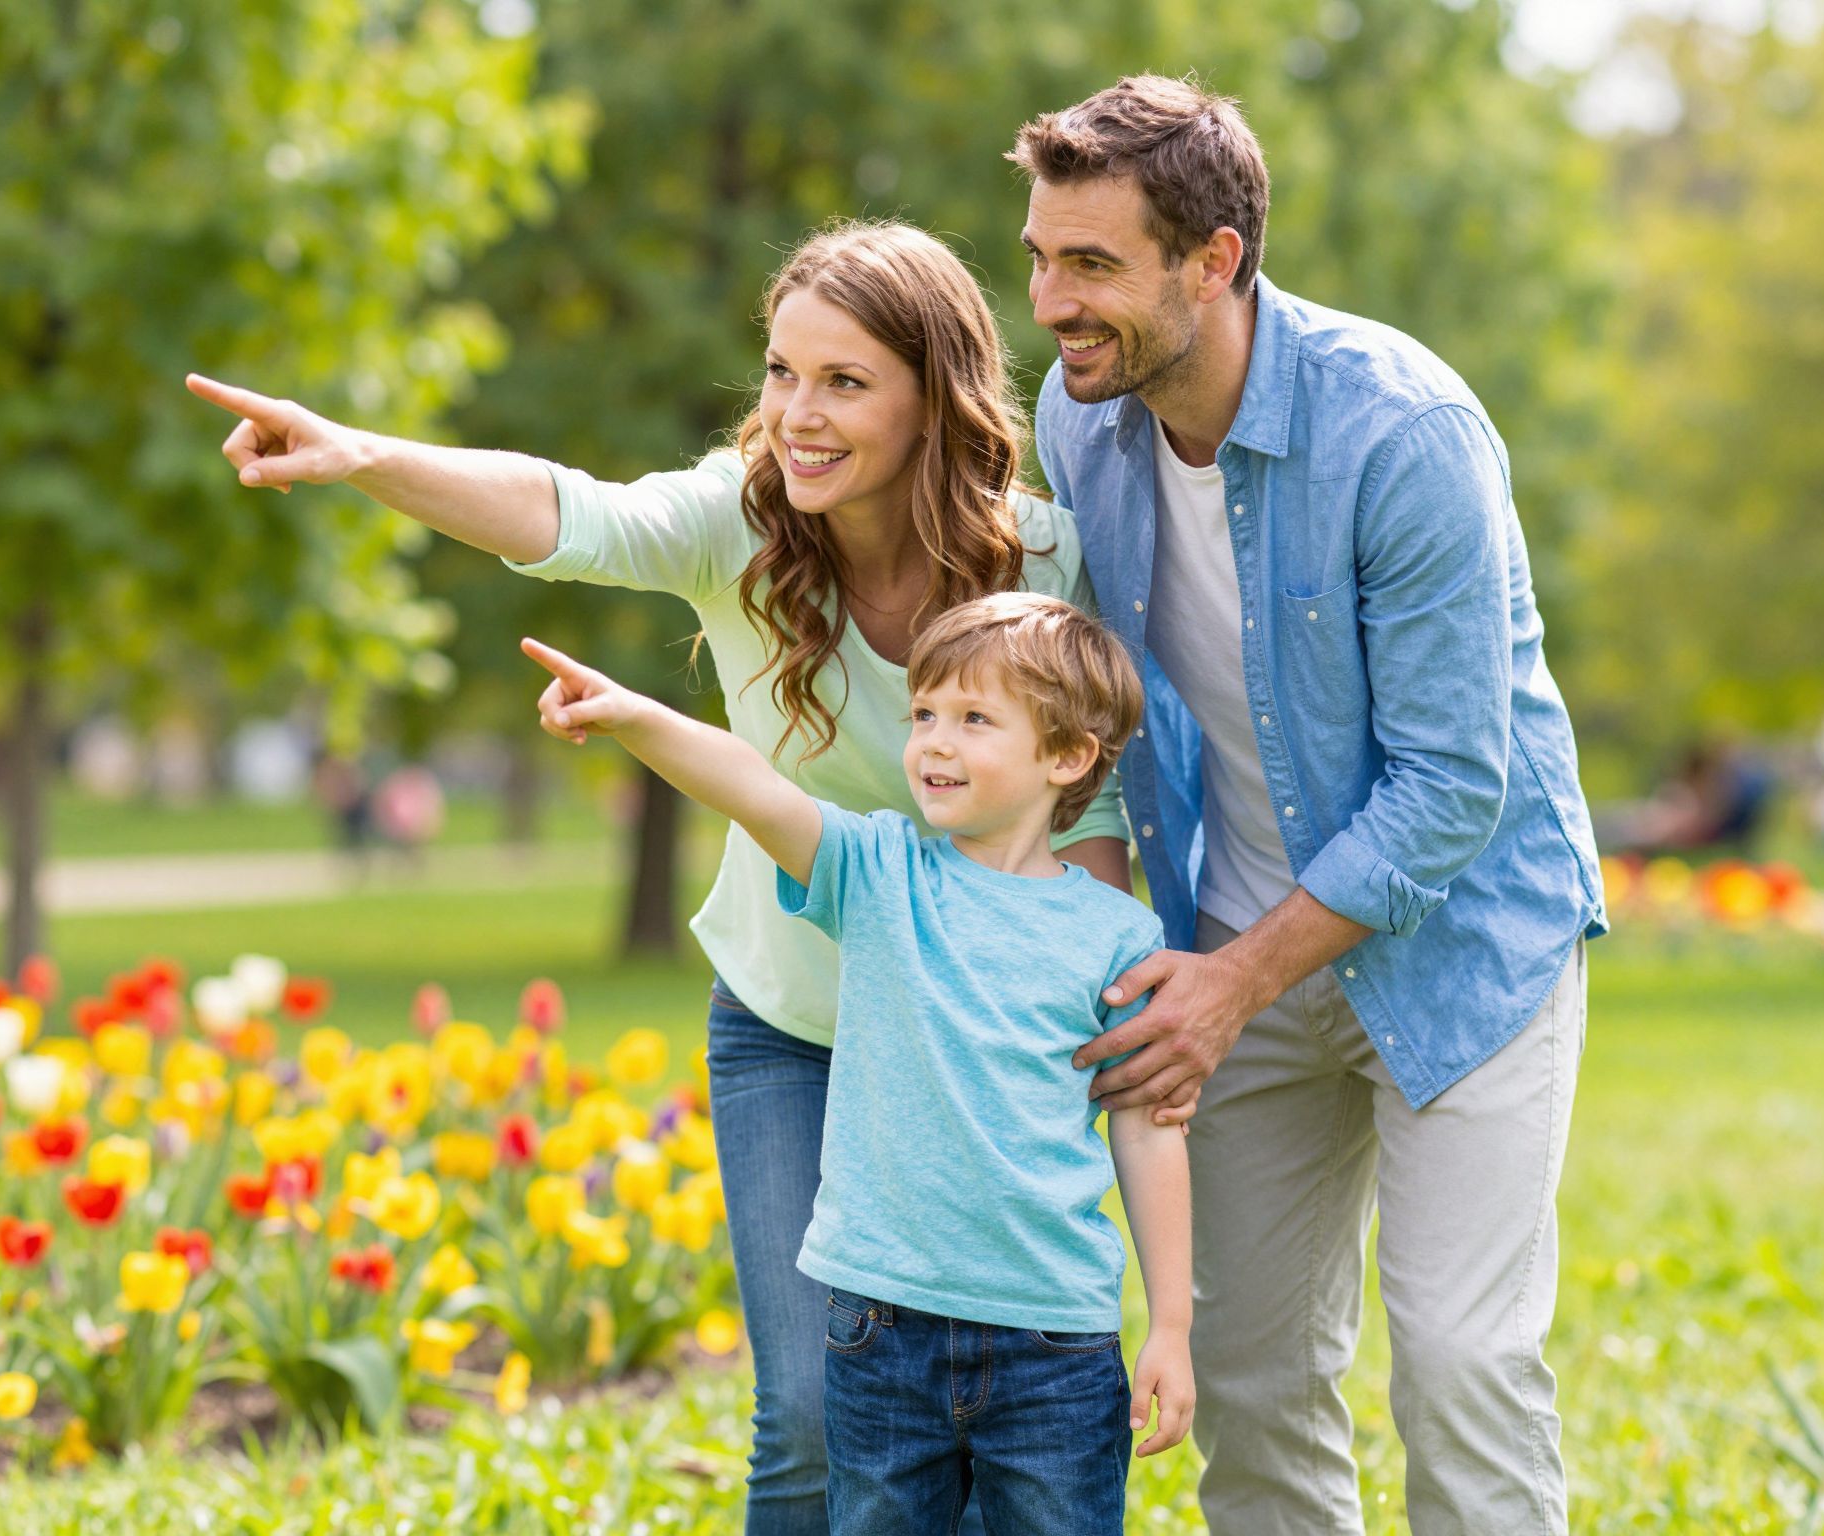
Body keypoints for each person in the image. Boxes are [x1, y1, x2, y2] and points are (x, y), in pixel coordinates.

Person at [186, 219, 1177, 1536]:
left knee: (973, 1426)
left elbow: (1088, 784)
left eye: (843, 381)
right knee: (812, 1419)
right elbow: (564, 512)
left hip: (967, 1045)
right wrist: (363, 456)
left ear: (932, 395)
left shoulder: (1039, 558)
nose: (796, 415)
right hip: (789, 1024)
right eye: (780, 372)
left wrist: (1087, 988)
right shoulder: (742, 519)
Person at [1012, 77, 1608, 1535]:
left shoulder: (1403, 434)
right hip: (1227, 942)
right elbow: (1079, 715)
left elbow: (1451, 785)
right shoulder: (1079, 421)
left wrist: (1227, 986)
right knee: (1252, 1373)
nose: (1049, 302)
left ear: (1212, 262)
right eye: (1038, 256)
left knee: (1464, 1366)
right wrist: (1122, 946)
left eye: (1091, 264)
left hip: (1462, 944)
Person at [519, 592, 1194, 1534]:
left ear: (1068, 756)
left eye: (973, 719)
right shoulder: (879, 875)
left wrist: (1171, 1326)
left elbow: (1149, 1127)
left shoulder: (1121, 937)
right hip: (880, 1328)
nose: (934, 742)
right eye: (924, 714)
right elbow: (752, 786)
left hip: (1056, 1342)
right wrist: (633, 713)